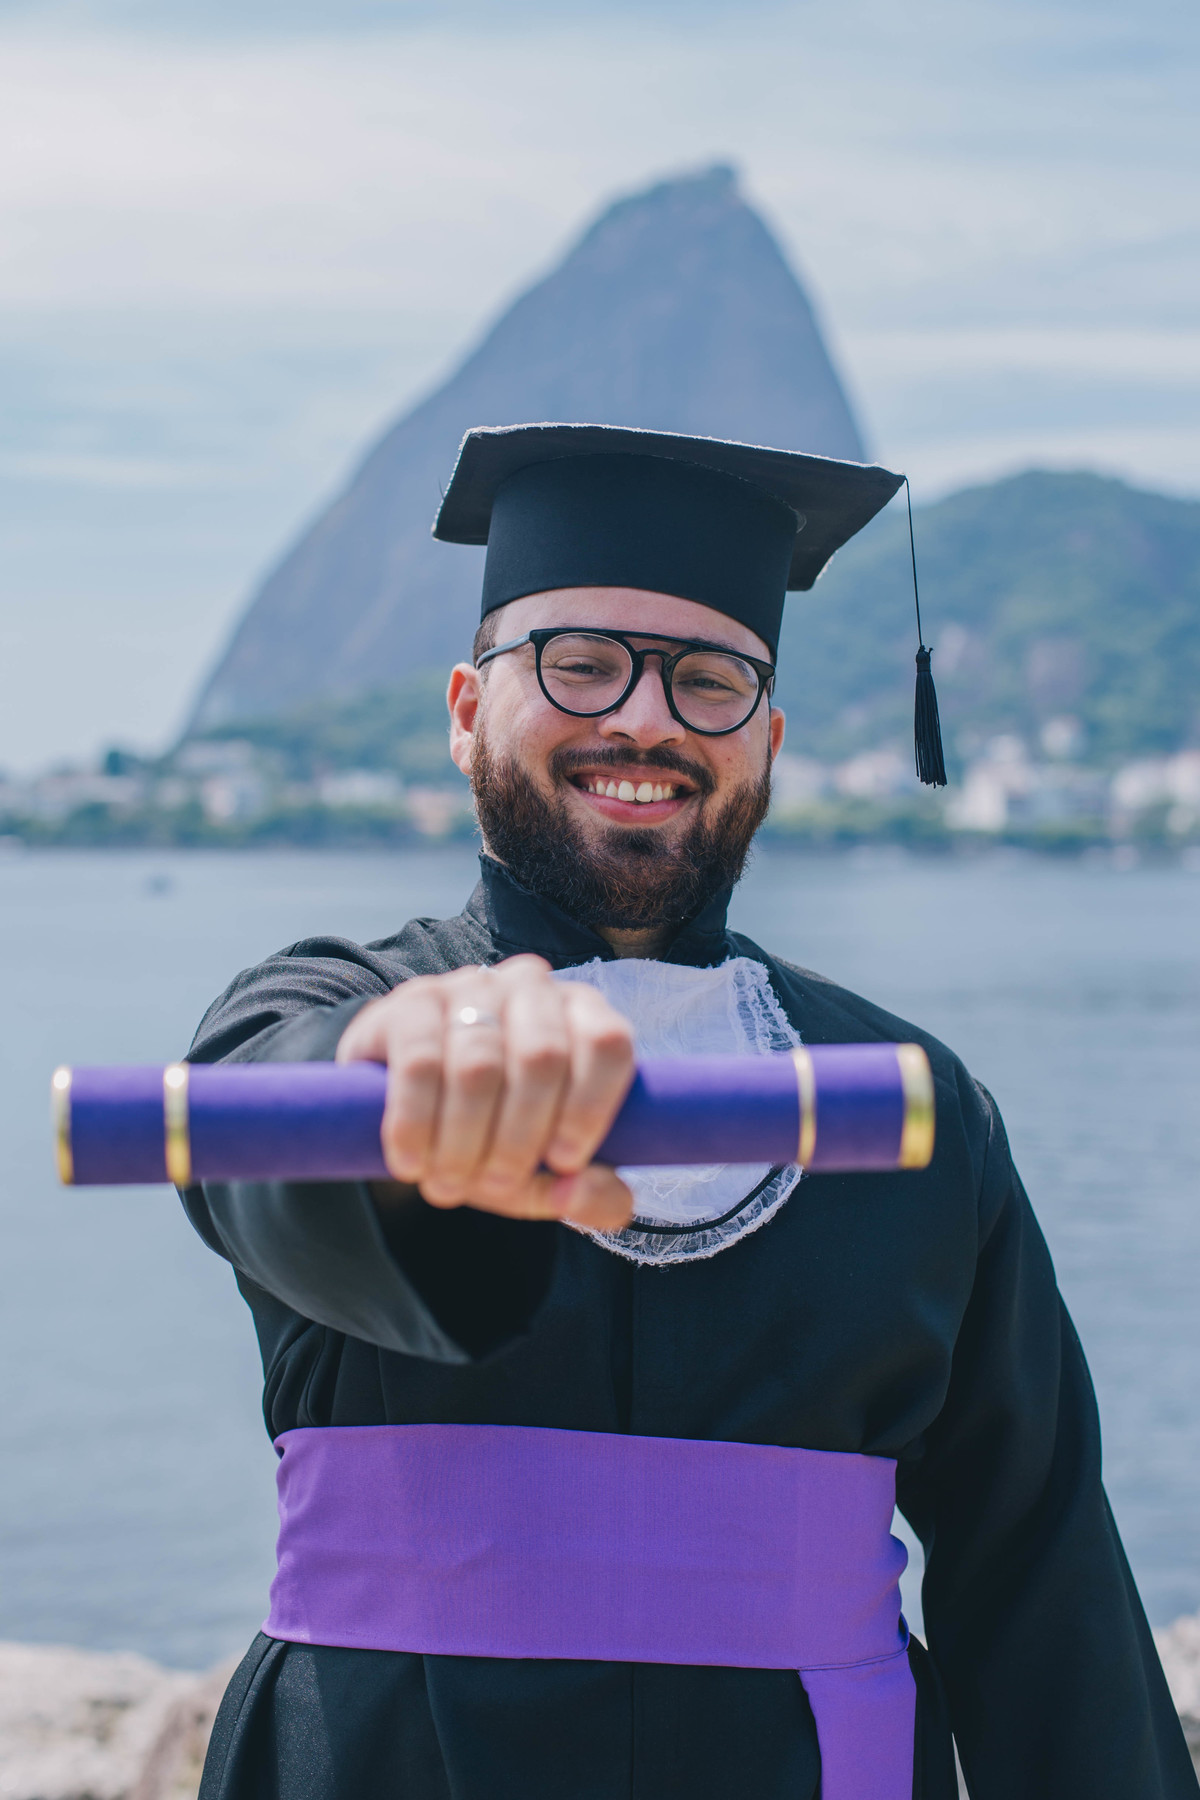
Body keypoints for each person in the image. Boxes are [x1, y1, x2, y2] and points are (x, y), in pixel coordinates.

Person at [184, 424, 1196, 1800]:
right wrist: (408, 1080)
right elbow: (266, 1149)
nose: (646, 719)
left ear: (766, 744)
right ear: (468, 710)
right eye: (579, 662)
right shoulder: (329, 1011)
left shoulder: (908, 1108)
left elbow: (1039, 1571)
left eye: (708, 681)